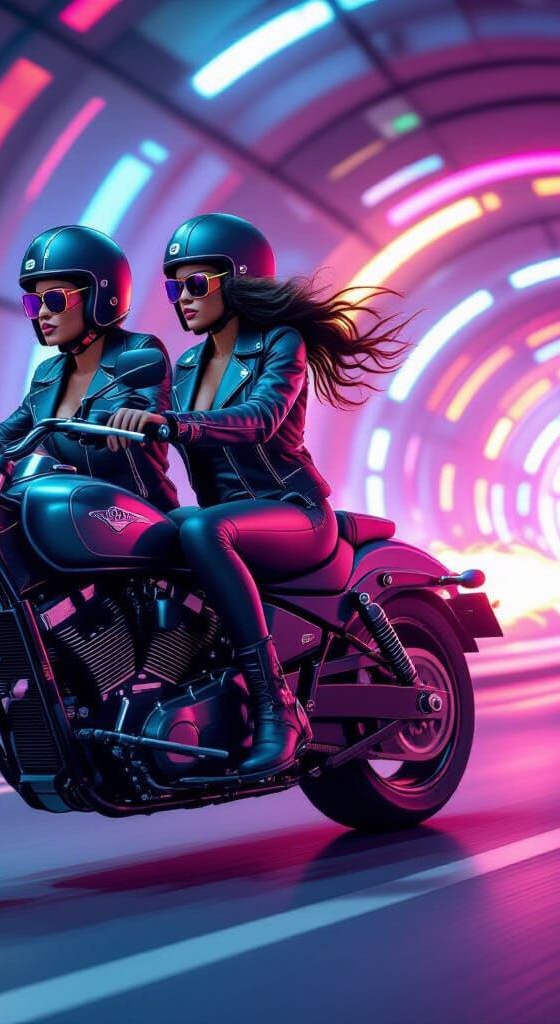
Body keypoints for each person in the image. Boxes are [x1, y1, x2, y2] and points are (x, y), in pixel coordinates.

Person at [108, 213, 415, 779]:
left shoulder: (281, 343)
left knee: (201, 529)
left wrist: (176, 424)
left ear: (239, 279)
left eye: (196, 282)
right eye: (175, 285)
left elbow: (259, 418)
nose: (182, 297)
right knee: (141, 529)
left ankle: (277, 705)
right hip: (231, 515)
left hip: (292, 513)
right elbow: (145, 424)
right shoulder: (184, 366)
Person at [0, 225, 178, 513]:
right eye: (34, 302)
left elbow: (149, 406)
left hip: (141, 516)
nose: (42, 312)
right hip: (74, 512)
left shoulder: (139, 352)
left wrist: (137, 419)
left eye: (54, 299)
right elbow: (7, 431)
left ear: (100, 295)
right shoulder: (47, 375)